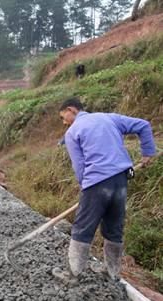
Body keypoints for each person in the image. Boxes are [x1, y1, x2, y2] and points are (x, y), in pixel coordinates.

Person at [52, 97, 156, 284]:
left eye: (63, 117)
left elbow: (79, 166)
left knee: (83, 227)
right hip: (120, 181)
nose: (64, 122)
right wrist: (148, 152)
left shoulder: (73, 131)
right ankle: (112, 272)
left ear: (71, 109)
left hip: (96, 183)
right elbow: (143, 125)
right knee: (113, 228)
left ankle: (73, 274)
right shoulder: (109, 118)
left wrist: (87, 189)